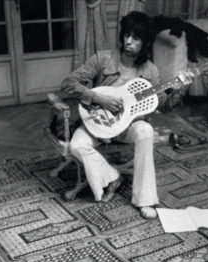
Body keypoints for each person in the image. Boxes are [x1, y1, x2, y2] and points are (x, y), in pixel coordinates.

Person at [61, 11, 186, 219]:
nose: (128, 41)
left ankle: (145, 200)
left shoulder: (150, 71)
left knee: (145, 130)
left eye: (135, 38)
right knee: (76, 146)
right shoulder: (102, 59)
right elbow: (68, 84)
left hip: (127, 126)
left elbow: (162, 105)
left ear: (144, 42)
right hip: (98, 123)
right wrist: (98, 98)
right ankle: (112, 177)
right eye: (126, 35)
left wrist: (181, 89)